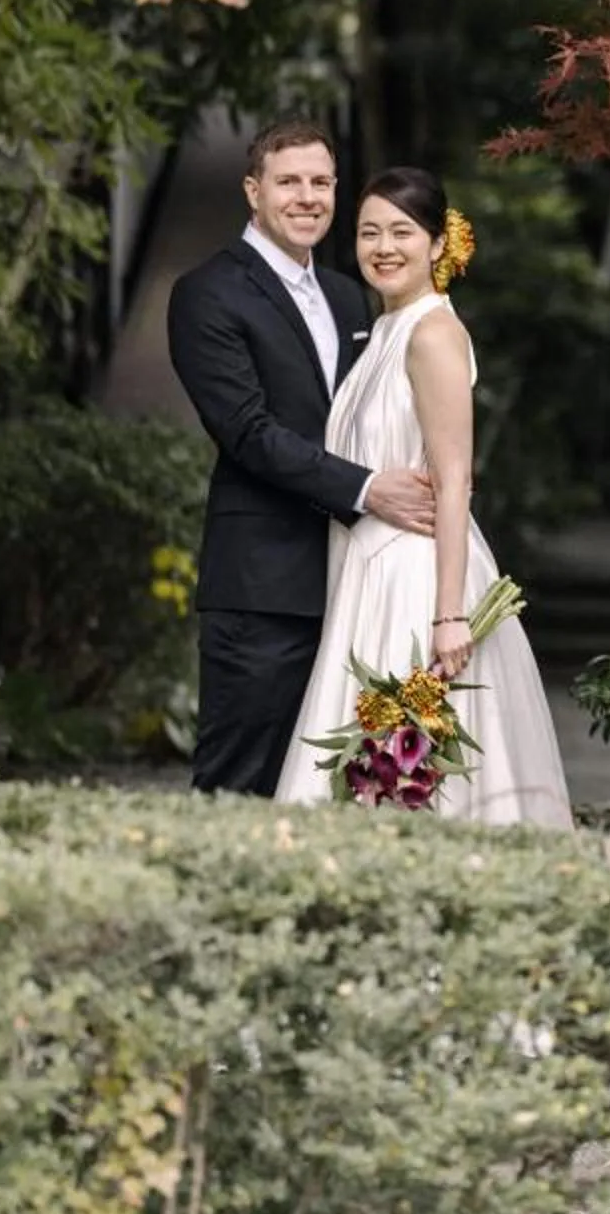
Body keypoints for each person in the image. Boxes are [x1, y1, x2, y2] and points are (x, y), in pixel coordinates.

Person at [274, 166, 572, 826]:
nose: (384, 247)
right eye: (369, 232)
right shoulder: (384, 330)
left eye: (402, 232)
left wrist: (448, 616)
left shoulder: (433, 333)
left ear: (439, 244)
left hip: (414, 582)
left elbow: (455, 477)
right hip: (365, 571)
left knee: (413, 777)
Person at [167, 119, 437, 795]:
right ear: (253, 190)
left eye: (321, 182)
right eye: (289, 181)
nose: (307, 197)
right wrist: (370, 489)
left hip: (357, 583)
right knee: (239, 783)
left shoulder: (351, 294)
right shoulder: (207, 293)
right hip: (263, 588)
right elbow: (249, 432)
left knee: (338, 785)